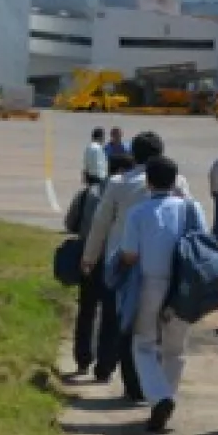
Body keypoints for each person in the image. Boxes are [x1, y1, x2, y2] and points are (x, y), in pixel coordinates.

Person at [83, 131, 190, 401]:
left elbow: (100, 223)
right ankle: (158, 388)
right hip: (168, 263)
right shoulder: (178, 182)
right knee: (162, 331)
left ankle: (130, 382)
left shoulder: (119, 183)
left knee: (124, 324)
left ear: (134, 155)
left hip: (125, 264)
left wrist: (89, 257)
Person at [117, 155, 204, 433]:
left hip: (150, 283)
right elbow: (203, 243)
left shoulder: (138, 213)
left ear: (148, 182)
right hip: (184, 284)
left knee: (143, 343)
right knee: (175, 348)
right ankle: (166, 396)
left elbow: (130, 254)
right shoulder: (190, 208)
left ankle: (160, 397)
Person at [67, 152, 134, 377]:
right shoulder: (129, 195)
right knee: (110, 316)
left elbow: (70, 222)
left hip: (89, 258)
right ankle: (105, 366)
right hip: (114, 261)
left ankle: (82, 358)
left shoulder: (89, 193)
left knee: (86, 310)